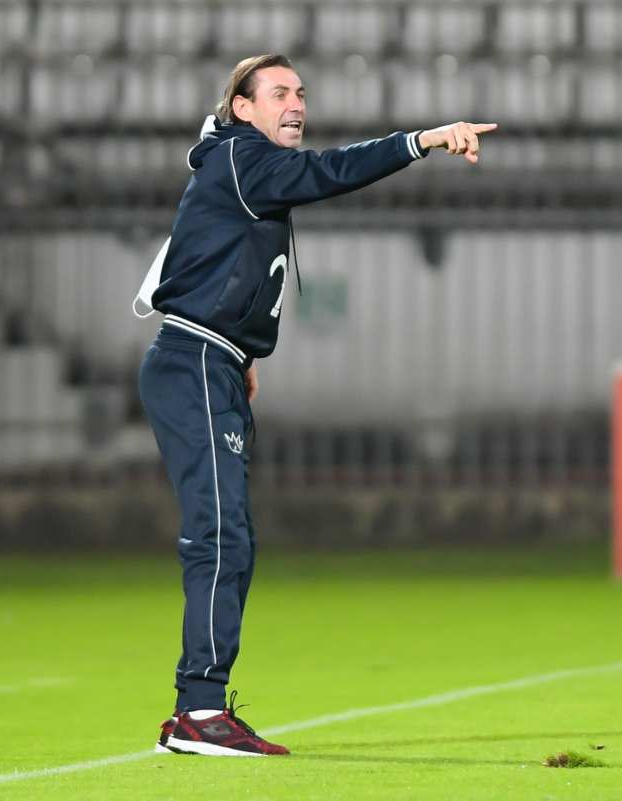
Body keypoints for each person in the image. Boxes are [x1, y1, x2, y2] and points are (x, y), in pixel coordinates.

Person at [136, 53, 496, 757]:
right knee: (220, 534)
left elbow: (193, 260)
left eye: (300, 92)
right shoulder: (243, 158)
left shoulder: (236, 163)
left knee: (232, 535)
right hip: (195, 361)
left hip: (213, 361)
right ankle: (198, 712)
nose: (296, 102)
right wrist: (421, 140)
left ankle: (196, 709)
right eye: (278, 93)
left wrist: (241, 354)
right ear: (242, 108)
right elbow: (329, 171)